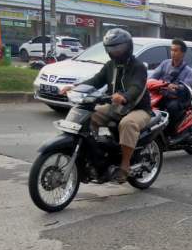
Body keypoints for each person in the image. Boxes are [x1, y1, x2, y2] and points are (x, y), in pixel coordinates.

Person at [62, 28, 151, 183]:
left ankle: (125, 164)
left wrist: (124, 96)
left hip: (138, 108)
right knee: (89, 114)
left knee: (127, 123)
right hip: (115, 106)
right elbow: (96, 81)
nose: (115, 52)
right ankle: (94, 154)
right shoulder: (111, 65)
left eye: (118, 48)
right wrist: (75, 87)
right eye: (111, 48)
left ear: (127, 47)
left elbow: (136, 87)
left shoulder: (138, 66)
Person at [148, 39, 192, 131]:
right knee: (147, 105)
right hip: (161, 95)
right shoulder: (165, 64)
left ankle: (172, 130)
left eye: (176, 50)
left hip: (176, 98)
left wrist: (176, 87)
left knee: (172, 108)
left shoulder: (187, 71)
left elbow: (186, 87)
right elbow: (152, 77)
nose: (173, 53)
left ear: (183, 53)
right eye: (171, 50)